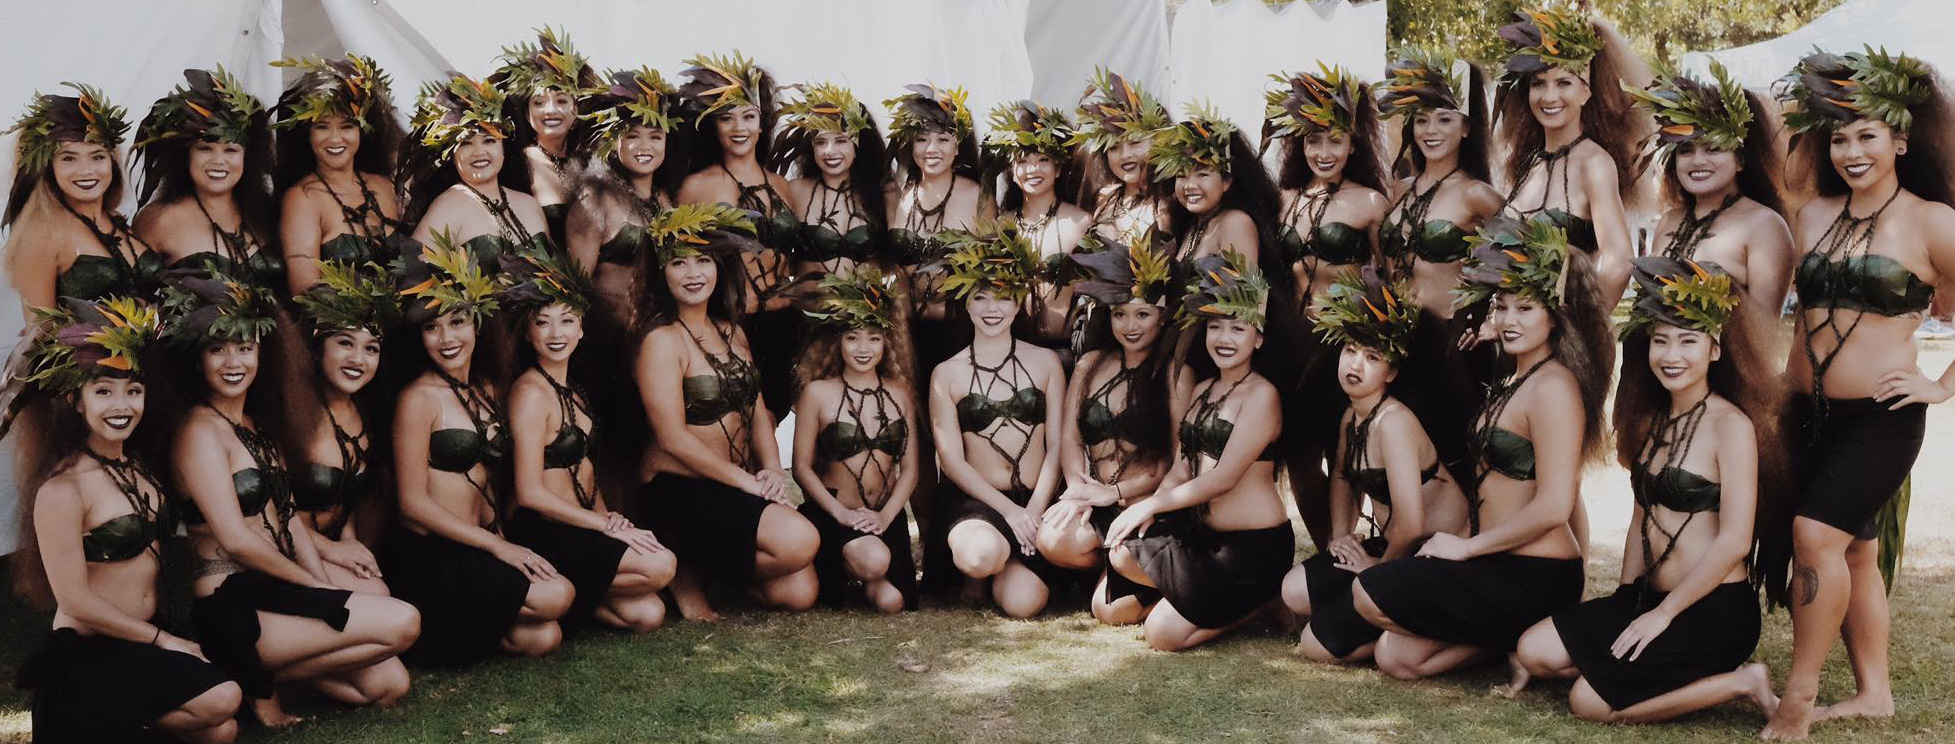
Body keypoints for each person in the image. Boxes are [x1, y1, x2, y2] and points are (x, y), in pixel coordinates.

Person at [1761, 47, 1955, 741]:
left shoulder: (1932, 222)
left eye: (1867, 134)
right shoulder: (1811, 214)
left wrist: (1937, 385)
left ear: (1901, 139)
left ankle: (1797, 698)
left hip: (1882, 417)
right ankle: (1874, 692)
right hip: (1805, 412)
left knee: (1813, 538)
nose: (1850, 150)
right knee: (1853, 552)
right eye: (1839, 138)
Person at [1506, 257, 1785, 723]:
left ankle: (1741, 681)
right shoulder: (1654, 420)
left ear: (1715, 350)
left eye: (1688, 341)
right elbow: (1642, 513)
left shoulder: (1731, 427)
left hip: (1713, 611)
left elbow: (1735, 541)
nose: (1672, 355)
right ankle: (1628, 663)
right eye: (1661, 341)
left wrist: (1663, 615)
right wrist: (1626, 600)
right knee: (1533, 651)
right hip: (1647, 597)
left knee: (1588, 703)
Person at [1352, 215, 1613, 680]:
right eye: (1502, 307)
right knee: (1397, 658)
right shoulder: (1517, 375)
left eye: (1526, 309)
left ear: (1556, 313)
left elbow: (1555, 505)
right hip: (1495, 562)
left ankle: (1530, 629)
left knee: (1369, 593)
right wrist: (1495, 337)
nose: (1510, 320)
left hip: (1537, 572)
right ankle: (1511, 644)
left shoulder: (1556, 389)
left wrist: (1469, 549)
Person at [159, 270, 417, 724]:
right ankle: (249, 678)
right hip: (230, 601)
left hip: (275, 583)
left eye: (245, 348)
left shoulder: (256, 425)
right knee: (402, 622)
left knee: (391, 684)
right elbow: (236, 540)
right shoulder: (198, 432)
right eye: (217, 349)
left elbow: (290, 519)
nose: (233, 361)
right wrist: (315, 589)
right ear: (197, 360)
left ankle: (265, 679)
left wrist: (322, 582)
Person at [10, 297, 244, 743]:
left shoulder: (139, 470)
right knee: (223, 699)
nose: (122, 405)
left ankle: (125, 726)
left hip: (139, 643)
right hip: (89, 653)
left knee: (222, 731)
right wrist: (164, 641)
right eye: (103, 391)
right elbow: (75, 601)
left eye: (133, 390)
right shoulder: (62, 490)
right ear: (74, 402)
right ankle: (91, 716)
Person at [383, 240, 574, 664]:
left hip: (478, 544)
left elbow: (486, 479)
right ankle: (439, 627)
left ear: (477, 323)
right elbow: (411, 504)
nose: (446, 338)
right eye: (432, 328)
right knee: (556, 595)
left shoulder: (486, 390)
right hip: (432, 551)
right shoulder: (418, 398)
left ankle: (456, 633)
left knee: (544, 638)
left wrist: (500, 539)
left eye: (457, 321)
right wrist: (499, 549)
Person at [632, 203, 819, 621]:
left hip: (734, 483)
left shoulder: (731, 331)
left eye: (703, 261)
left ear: (720, 268)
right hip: (677, 485)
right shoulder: (661, 341)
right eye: (679, 263)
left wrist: (771, 470)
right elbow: (671, 437)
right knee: (799, 541)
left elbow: (755, 408)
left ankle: (702, 567)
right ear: (662, 272)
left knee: (800, 591)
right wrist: (747, 483)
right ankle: (682, 572)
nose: (693, 274)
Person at [1104, 251, 1294, 651]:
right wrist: (1154, 503)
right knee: (1112, 596)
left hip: (1252, 547)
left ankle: (1262, 602)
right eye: (1215, 327)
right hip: (1203, 538)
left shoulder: (1263, 396)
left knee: (1161, 635)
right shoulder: (1204, 389)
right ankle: (1192, 597)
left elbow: (1223, 478)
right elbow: (1181, 466)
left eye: (1237, 329)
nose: (1224, 339)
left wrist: (1149, 507)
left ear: (1258, 337)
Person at [1283, 268, 1467, 664]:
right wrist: (1338, 537)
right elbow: (1343, 476)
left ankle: (1421, 635)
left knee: (1316, 645)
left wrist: (1375, 568)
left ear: (1392, 372)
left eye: (1372, 357)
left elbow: (1413, 523)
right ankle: (1375, 615)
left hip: (1431, 556)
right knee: (1293, 591)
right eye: (1350, 351)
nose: (1356, 365)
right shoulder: (1353, 416)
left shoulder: (1394, 423)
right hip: (1394, 545)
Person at [500, 247, 675, 632]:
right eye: (542, 323)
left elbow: (586, 470)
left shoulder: (574, 391)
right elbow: (529, 493)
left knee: (648, 613)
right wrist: (601, 527)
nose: (556, 333)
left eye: (566, 320)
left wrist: (608, 516)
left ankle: (568, 600)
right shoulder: (529, 394)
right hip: (542, 528)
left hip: (579, 525)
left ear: (581, 327)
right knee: (661, 564)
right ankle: (557, 588)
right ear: (528, 333)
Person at [1373, 47, 1505, 486]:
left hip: (1453, 347)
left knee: (1460, 456)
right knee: (1406, 456)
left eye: (1445, 118)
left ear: (1467, 127)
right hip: (1401, 340)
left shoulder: (1476, 194)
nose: (1432, 130)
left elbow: (1529, 258)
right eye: (1423, 119)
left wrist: (1492, 316)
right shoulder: (1398, 190)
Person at [927, 221, 1068, 617]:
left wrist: (1035, 509)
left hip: (1034, 501)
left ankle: (1005, 570)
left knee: (1024, 605)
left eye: (1004, 298)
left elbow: (1057, 444)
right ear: (966, 302)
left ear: (1020, 303)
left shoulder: (1046, 363)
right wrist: (1009, 512)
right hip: (977, 502)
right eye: (982, 298)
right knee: (980, 556)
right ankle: (982, 568)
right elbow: (951, 461)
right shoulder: (947, 373)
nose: (993, 309)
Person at [1046, 236, 1189, 625]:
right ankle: (1113, 568)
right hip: (1097, 500)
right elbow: (1071, 437)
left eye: (1142, 315)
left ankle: (1149, 579)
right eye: (1119, 314)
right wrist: (1078, 490)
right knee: (1052, 539)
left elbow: (1176, 459)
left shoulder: (1173, 374)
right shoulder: (1091, 363)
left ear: (1162, 317)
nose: (1129, 325)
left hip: (1146, 504)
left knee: (1110, 614)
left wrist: (1116, 493)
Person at [1491, 6, 1648, 307]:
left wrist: (1583, 329)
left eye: (1564, 83)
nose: (1549, 97)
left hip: (1561, 345)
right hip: (1517, 339)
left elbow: (1619, 261)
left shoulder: (1594, 163)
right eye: (1539, 83)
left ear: (1587, 92)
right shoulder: (1532, 163)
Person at [674, 52, 801, 420]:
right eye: (726, 118)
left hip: (783, 324)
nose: (738, 127)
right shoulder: (698, 186)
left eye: (748, 116)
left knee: (773, 417)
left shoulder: (781, 186)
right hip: (729, 322)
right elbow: (679, 259)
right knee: (735, 420)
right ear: (713, 127)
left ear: (763, 123)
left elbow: (790, 260)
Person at [789, 267, 921, 612]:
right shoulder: (817, 393)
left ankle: (866, 578)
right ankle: (846, 563)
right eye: (853, 338)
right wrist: (839, 514)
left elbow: (909, 470)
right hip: (835, 515)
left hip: (884, 516)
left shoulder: (900, 394)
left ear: (887, 343)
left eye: (874, 338)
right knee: (875, 560)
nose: (864, 348)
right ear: (837, 341)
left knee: (893, 602)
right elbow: (801, 468)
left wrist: (886, 517)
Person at [1625, 62, 1795, 316]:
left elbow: (1765, 328)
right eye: (1686, 151)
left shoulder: (1765, 226)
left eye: (1713, 148)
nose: (1698, 161)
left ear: (1740, 160)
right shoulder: (1669, 220)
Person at [278, 260, 401, 597]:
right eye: (345, 343)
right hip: (286, 550)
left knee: (378, 596)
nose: (358, 360)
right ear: (317, 349)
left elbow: (348, 496)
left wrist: (352, 550)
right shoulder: (291, 416)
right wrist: (332, 551)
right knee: (380, 599)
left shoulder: (366, 411)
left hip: (334, 547)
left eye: (370, 348)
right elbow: (272, 512)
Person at [4, 83, 162, 311]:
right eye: (69, 158)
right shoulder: (41, 233)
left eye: (97, 157)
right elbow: (39, 334)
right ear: (49, 168)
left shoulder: (116, 221)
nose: (86, 170)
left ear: (111, 162)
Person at [132, 67, 282, 291]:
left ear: (248, 158)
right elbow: (137, 301)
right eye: (205, 149)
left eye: (230, 150)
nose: (218, 160)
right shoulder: (158, 220)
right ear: (186, 155)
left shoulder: (270, 216)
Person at [271, 54, 408, 295]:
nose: (335, 138)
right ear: (307, 133)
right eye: (322, 126)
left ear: (363, 130)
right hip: (342, 330)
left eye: (347, 126)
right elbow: (304, 290)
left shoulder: (383, 184)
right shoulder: (302, 198)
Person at [401, 71, 551, 275]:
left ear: (503, 147)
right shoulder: (448, 206)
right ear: (451, 154)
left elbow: (557, 275)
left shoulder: (528, 203)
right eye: (466, 143)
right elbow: (415, 280)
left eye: (489, 140)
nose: (479, 152)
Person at [1264, 65, 1389, 303]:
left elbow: (1393, 279)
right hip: (1294, 331)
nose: (1323, 154)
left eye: (1335, 141)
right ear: (1302, 145)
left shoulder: (1371, 202)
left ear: (1352, 146)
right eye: (1314, 141)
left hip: (1349, 333)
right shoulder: (1285, 199)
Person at [984, 100, 1089, 354]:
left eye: (1043, 159)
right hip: (1013, 350)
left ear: (1058, 168)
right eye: (1022, 161)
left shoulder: (1081, 222)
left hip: (1063, 349)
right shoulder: (1002, 224)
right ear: (1011, 169)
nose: (1032, 169)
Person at [489, 26, 602, 245]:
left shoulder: (590, 162)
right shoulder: (514, 164)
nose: (550, 110)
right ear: (527, 112)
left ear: (576, 109)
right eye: (539, 102)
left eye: (561, 101)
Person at [773, 82, 891, 281]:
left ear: (857, 145)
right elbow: (776, 254)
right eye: (821, 142)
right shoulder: (796, 190)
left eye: (840, 140)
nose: (829, 151)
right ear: (812, 147)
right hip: (807, 308)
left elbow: (895, 260)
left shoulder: (883, 193)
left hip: (865, 309)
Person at [1073, 69, 1171, 246]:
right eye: (1114, 148)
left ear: (1160, 142)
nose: (1125, 155)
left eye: (1135, 143)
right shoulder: (1103, 197)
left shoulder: (1168, 207)